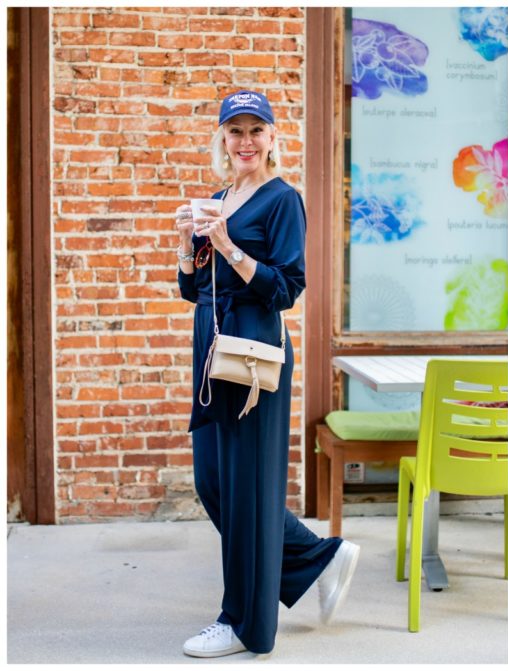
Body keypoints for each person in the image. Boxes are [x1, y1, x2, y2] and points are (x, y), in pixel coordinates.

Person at [174, 90, 359, 658]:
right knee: (215, 483)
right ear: (223, 140)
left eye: (257, 130)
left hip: (253, 354)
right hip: (212, 351)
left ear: (273, 137)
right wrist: (188, 245)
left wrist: (227, 245)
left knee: (250, 490)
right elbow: (191, 288)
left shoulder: (283, 201)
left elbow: (286, 288)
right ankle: (316, 555)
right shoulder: (218, 197)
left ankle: (242, 623)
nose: (246, 141)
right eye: (236, 131)